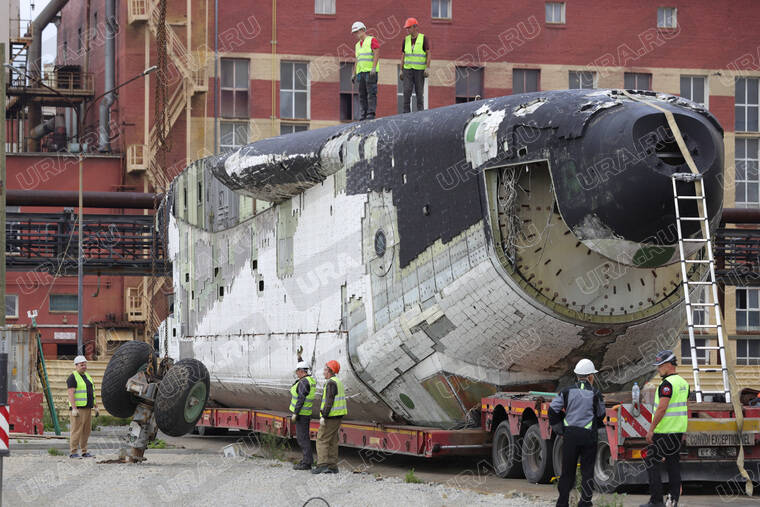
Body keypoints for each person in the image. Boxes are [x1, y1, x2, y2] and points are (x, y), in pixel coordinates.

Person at [548, 358, 606, 507]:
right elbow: (601, 414)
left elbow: (552, 410)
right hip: (588, 437)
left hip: (570, 436)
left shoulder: (566, 392)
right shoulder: (596, 393)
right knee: (587, 472)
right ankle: (585, 503)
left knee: (567, 471)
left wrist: (559, 429)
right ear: (591, 376)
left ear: (577, 375)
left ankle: (562, 502)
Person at [641, 350, 689, 507]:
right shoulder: (684, 383)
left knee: (651, 461)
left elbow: (662, 408)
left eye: (660, 365)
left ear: (669, 365)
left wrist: (651, 429)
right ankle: (673, 500)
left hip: (664, 431)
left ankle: (656, 501)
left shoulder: (667, 385)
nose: (658, 369)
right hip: (677, 432)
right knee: (673, 464)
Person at [312, 360, 347, 474]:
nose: (323, 372)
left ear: (331, 371)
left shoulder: (331, 383)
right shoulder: (338, 382)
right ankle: (332, 466)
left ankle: (322, 465)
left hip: (330, 417)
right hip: (337, 416)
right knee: (332, 440)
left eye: (325, 370)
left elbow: (329, 401)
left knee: (321, 439)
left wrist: (324, 416)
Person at [67, 355, 99, 458]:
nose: (84, 366)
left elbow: (92, 393)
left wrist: (96, 406)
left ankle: (84, 451)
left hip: (88, 408)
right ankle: (73, 452)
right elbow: (71, 393)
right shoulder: (72, 377)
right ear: (76, 365)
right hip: (78, 410)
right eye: (81, 365)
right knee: (76, 431)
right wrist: (74, 408)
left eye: (85, 364)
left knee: (86, 431)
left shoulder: (88, 376)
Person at [399, 17, 430, 113]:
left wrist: (427, 68)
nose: (407, 30)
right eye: (406, 28)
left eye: (409, 27)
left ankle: (420, 114)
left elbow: (428, 53)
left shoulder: (423, 38)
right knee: (406, 92)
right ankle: (406, 114)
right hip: (408, 70)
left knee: (419, 93)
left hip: (419, 71)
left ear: (415, 27)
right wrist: (401, 69)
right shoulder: (406, 39)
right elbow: (403, 55)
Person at [290, 361, 317, 470]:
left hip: (301, 414)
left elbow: (301, 399)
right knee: (303, 437)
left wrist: (295, 413)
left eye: (297, 371)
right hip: (305, 413)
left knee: (302, 438)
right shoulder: (309, 380)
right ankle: (307, 460)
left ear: (301, 371)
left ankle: (307, 463)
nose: (296, 373)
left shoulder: (304, 382)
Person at [351, 21, 380, 120]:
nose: (355, 34)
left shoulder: (372, 40)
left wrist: (373, 67)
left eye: (357, 31)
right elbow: (357, 60)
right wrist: (354, 73)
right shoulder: (357, 45)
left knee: (371, 93)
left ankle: (370, 113)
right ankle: (363, 114)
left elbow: (376, 53)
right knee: (362, 94)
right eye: (354, 32)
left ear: (363, 30)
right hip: (360, 73)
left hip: (370, 72)